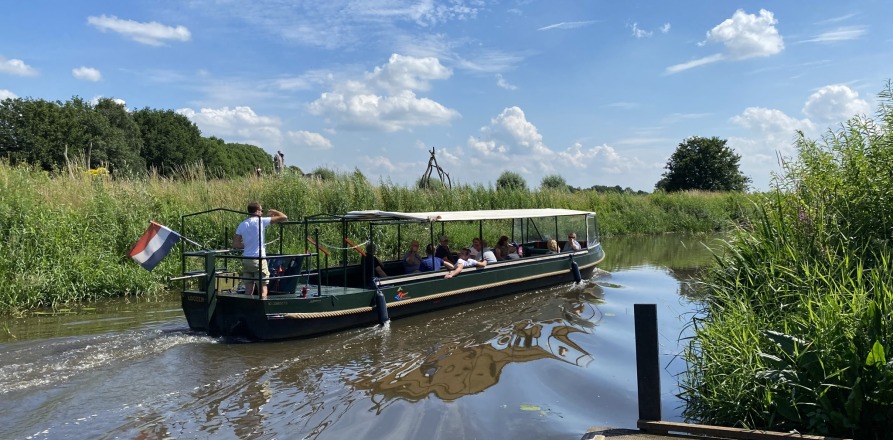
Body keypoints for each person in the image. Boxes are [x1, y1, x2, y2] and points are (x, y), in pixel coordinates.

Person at [232, 201, 288, 299]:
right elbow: (284, 217)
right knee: (263, 289)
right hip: (258, 260)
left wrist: (248, 245)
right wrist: (274, 211)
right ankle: (262, 309)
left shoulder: (242, 224)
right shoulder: (261, 221)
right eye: (261, 210)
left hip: (246, 260)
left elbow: (235, 244)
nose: (262, 212)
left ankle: (248, 308)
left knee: (248, 290)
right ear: (257, 211)